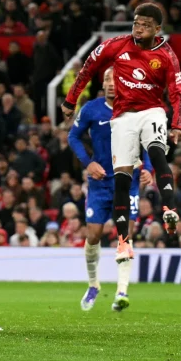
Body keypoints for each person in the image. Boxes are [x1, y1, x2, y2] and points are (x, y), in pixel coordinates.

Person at [62, 3, 181, 264]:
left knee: (157, 151)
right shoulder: (117, 45)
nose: (139, 29)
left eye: (145, 25)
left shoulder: (166, 55)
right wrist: (71, 99)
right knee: (123, 179)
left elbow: (178, 91)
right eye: (136, 23)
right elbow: (89, 66)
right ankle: (123, 242)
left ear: (157, 29)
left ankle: (169, 208)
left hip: (151, 110)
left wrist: (178, 124)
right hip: (123, 118)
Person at [69, 67, 153, 312]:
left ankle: (121, 291)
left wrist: (148, 168)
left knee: (125, 234)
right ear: (103, 84)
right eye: (107, 79)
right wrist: (88, 163)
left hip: (128, 182)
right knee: (93, 235)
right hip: (100, 183)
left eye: (116, 79)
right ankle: (93, 284)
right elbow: (73, 137)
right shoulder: (91, 109)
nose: (111, 83)